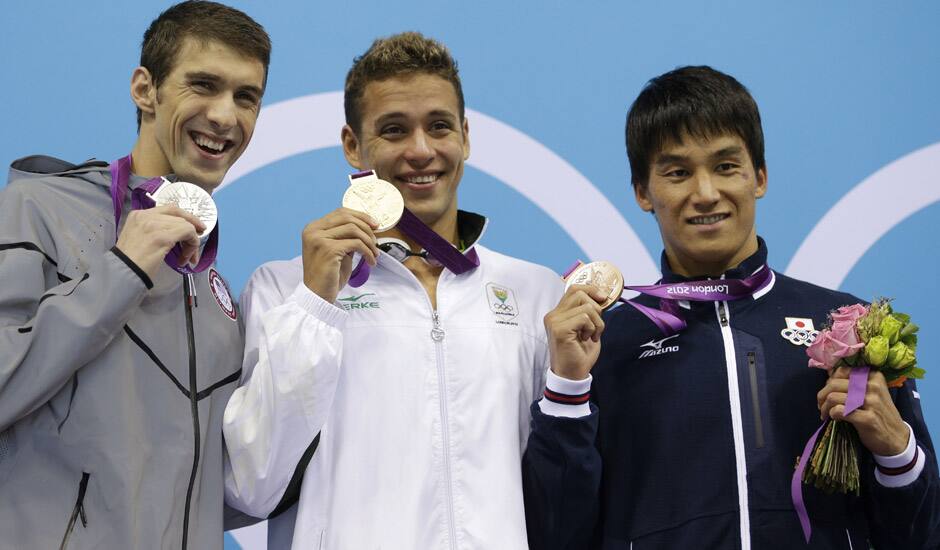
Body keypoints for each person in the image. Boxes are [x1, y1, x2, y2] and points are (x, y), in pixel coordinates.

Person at [523, 66, 940, 549]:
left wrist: (897, 452)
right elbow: (556, 535)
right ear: (642, 191)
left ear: (758, 177)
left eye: (725, 166)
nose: (705, 193)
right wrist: (567, 391)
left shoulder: (852, 329)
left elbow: (920, 536)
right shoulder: (604, 347)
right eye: (678, 172)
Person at [222, 32, 563, 549]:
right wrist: (316, 305)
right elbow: (252, 486)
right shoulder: (283, 287)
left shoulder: (534, 292)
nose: (421, 150)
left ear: (465, 137)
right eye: (395, 130)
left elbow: (561, 492)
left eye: (439, 127)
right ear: (353, 145)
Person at [0, 2, 270, 548]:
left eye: (247, 97)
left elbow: (215, 487)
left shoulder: (212, 287)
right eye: (204, 85)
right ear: (145, 90)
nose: (225, 116)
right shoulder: (38, 207)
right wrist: (120, 271)